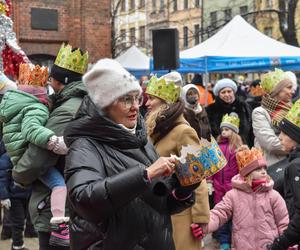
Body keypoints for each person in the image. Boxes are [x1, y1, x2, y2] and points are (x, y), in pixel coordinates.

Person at [63, 59, 197, 250]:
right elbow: (84, 199)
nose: (135, 106)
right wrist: (145, 175)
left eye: (137, 98)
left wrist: (183, 189)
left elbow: (159, 204)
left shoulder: (140, 139)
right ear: (105, 104)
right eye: (126, 99)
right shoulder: (85, 145)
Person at [12, 43, 88, 250]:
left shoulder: (66, 109)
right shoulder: (80, 102)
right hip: (73, 200)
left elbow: (39, 156)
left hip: (55, 206)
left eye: (52, 78)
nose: (49, 82)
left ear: (60, 81)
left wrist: (19, 175)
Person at [0, 63, 70, 247]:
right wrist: (53, 141)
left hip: (19, 156)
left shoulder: (15, 102)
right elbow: (31, 129)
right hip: (27, 155)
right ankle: (60, 225)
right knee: (59, 185)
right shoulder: (35, 107)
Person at [145, 72, 210, 250]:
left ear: (164, 102)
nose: (147, 103)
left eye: (151, 98)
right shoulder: (154, 130)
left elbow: (199, 175)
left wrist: (201, 218)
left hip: (182, 214)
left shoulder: (183, 131)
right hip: (160, 209)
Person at [200, 147, 289, 250]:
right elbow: (219, 213)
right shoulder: (233, 195)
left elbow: (284, 222)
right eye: (258, 169)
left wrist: (289, 245)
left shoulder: (273, 195)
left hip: (270, 246)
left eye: (265, 168)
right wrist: (204, 226)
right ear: (247, 173)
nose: (263, 172)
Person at [268, 99, 300, 250]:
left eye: (284, 133)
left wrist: (279, 244)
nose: (279, 137)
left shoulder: (295, 166)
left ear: (295, 139)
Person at [208, 112, 243, 250]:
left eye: (227, 129)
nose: (223, 132)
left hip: (233, 188)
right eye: (222, 129)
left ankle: (235, 240)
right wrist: (210, 181)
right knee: (221, 215)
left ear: (234, 132)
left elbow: (242, 169)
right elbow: (212, 166)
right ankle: (224, 242)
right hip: (218, 188)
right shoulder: (216, 147)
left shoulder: (237, 149)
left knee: (234, 216)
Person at [252, 69, 295, 166]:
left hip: (292, 163)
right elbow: (271, 144)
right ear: (277, 90)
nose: (293, 91)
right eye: (289, 87)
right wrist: (295, 146)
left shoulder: (291, 108)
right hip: (272, 166)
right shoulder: (260, 112)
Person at [206, 78, 253, 146]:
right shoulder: (210, 109)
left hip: (243, 148)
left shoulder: (244, 106)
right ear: (218, 94)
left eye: (229, 91)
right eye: (223, 92)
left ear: (233, 92)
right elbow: (209, 132)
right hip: (220, 150)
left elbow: (251, 129)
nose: (227, 94)